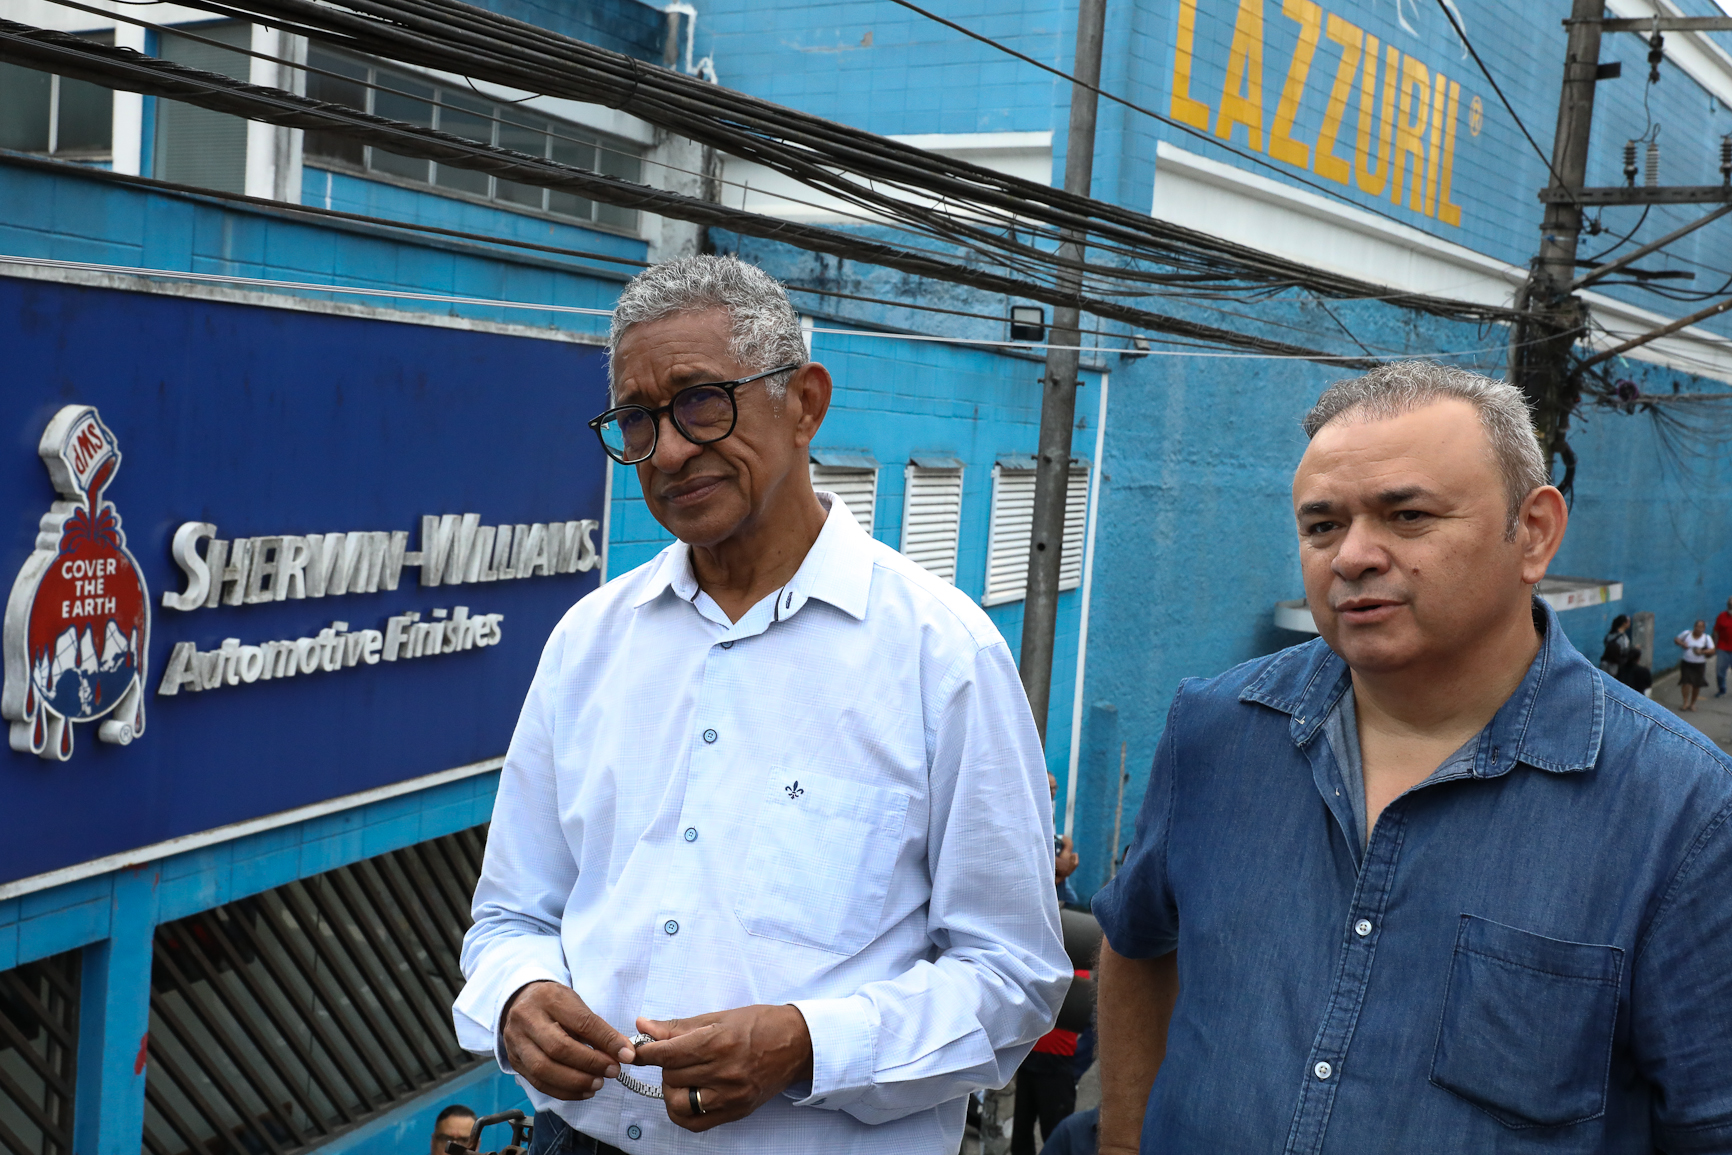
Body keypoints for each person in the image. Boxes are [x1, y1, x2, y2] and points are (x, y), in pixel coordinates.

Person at [453, 255, 1070, 1155]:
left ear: (806, 403)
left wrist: (805, 1045)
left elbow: (1013, 978)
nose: (666, 451)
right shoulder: (588, 643)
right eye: (637, 419)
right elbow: (511, 917)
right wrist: (518, 998)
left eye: (703, 401)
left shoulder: (945, 655)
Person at [1090, 362, 1732, 1153]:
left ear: (1532, 532)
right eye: (1322, 526)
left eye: (1407, 515)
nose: (1354, 555)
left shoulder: (1680, 808)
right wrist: (1122, 1138)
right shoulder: (1215, 730)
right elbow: (1133, 939)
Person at [1674, 619, 1713, 711]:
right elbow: (1676, 639)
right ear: (1694, 627)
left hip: (1699, 665)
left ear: (1703, 628)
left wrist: (1702, 651)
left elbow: (1712, 650)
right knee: (1685, 682)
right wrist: (1682, 643)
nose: (1698, 629)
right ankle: (1685, 702)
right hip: (1687, 663)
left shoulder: (1706, 638)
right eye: (1697, 627)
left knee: (1696, 685)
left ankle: (1692, 703)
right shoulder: (1687, 634)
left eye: (1701, 627)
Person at [1715, 596, 1732, 695]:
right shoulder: (1722, 616)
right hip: (1723, 648)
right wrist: (1715, 646)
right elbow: (1716, 631)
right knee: (1720, 672)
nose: (1730, 603)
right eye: (1730, 601)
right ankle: (1721, 688)